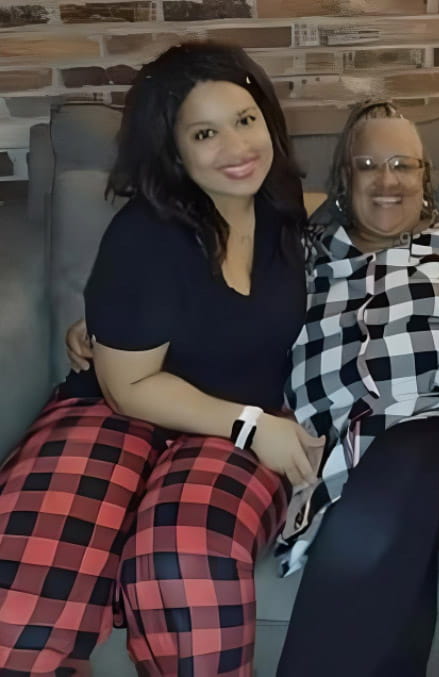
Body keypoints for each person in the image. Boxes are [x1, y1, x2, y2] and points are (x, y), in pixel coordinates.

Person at [64, 98, 439, 675]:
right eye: (367, 166)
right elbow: (207, 305)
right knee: (378, 520)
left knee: (400, 473)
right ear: (343, 180)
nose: (387, 181)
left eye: (404, 165)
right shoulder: (295, 251)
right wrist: (112, 323)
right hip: (345, 469)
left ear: (426, 177)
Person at [0, 42, 323, 675]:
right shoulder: (146, 235)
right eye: (206, 133)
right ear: (174, 152)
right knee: (30, 575)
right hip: (123, 407)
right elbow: (129, 387)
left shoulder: (286, 208)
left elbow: (370, 219)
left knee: (181, 564)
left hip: (233, 421)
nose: (237, 147)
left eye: (246, 120)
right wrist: (256, 426)